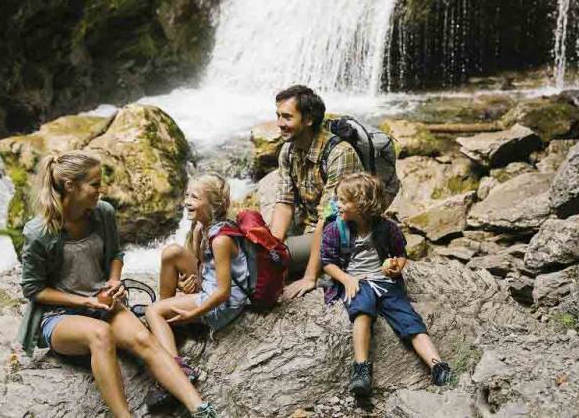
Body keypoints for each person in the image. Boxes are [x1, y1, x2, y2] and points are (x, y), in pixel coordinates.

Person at [16, 150, 217, 418]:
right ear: (70, 186)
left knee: (144, 339)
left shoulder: (103, 213)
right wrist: (84, 301)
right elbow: (34, 290)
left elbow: (115, 255)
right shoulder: (39, 232)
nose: (101, 189)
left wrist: (113, 280)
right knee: (100, 335)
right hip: (58, 317)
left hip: (103, 304)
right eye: (95, 184)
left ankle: (202, 409)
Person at [320, 173, 451, 396]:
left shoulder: (387, 228)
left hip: (385, 282)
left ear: (361, 205)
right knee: (362, 312)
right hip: (357, 281)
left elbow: (400, 254)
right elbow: (328, 263)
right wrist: (347, 279)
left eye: (343, 201)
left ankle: (437, 365)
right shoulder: (335, 229)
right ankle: (361, 368)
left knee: (409, 320)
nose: (337, 205)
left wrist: (396, 267)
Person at [145, 173, 249, 374]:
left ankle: (176, 368)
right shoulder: (199, 228)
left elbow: (223, 291)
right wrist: (187, 284)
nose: (186, 202)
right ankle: (166, 319)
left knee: (152, 311)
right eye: (186, 196)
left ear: (213, 204)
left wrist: (194, 313)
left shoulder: (221, 240)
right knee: (171, 253)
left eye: (195, 198)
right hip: (210, 284)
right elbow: (202, 266)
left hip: (225, 301)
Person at [270, 85, 364, 300]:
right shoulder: (288, 150)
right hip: (308, 224)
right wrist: (271, 246)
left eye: (287, 117)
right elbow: (284, 202)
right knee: (263, 251)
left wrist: (309, 277)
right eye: (278, 116)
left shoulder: (339, 154)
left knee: (272, 258)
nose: (279, 124)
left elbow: (329, 218)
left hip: (341, 231)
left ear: (308, 120)